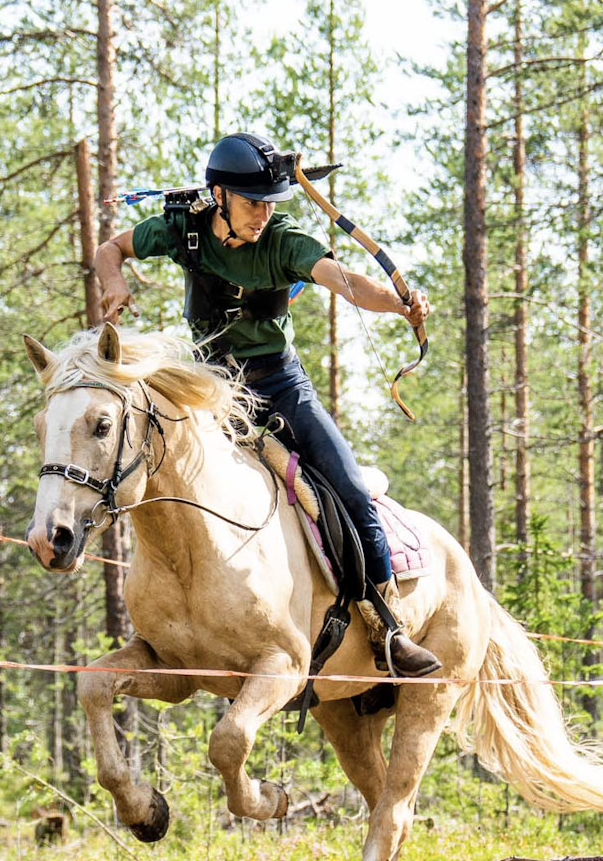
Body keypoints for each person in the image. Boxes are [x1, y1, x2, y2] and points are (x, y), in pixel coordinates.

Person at [93, 132, 441, 678]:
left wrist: (399, 305)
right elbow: (109, 249)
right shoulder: (182, 230)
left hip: (279, 384)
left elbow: (344, 281)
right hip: (209, 385)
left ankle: (386, 625)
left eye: (270, 202)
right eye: (253, 202)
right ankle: (169, 613)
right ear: (219, 196)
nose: (263, 213)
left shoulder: (282, 240)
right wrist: (113, 286)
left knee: (347, 486)